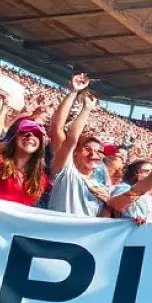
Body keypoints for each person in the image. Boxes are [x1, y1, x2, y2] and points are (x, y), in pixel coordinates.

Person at [47, 73, 110, 216]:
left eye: (99, 152)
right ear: (75, 152)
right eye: (87, 149)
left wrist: (109, 202)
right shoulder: (66, 171)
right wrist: (76, 94)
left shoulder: (101, 178)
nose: (93, 154)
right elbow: (61, 131)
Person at [0, 118, 50, 206]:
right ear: (15, 139)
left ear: (41, 145)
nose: (30, 135)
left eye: (36, 134)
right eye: (24, 132)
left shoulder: (40, 179)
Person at [106, 135, 152, 224]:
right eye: (146, 171)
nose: (150, 174)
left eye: (151, 171)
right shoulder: (123, 188)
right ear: (135, 174)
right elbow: (118, 207)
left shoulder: (148, 197)